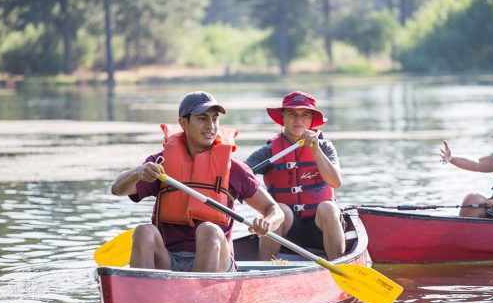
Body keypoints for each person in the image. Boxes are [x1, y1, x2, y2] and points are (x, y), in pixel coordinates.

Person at [111, 91, 284, 272]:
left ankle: (198, 294)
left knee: (208, 230)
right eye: (202, 118)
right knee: (143, 231)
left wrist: (268, 223)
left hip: (217, 262)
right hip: (170, 260)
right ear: (183, 123)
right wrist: (138, 173)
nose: (210, 126)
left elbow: (275, 211)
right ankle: (141, 291)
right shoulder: (160, 163)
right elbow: (117, 189)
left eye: (214, 119)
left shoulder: (233, 169)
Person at [244, 91, 345, 261]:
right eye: (292, 114)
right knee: (280, 210)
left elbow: (335, 182)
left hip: (321, 227)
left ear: (312, 119)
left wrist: (315, 150)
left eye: (305, 115)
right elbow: (240, 176)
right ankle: (265, 269)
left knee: (328, 207)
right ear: (283, 117)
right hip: (288, 232)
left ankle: (339, 265)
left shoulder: (325, 148)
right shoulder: (268, 152)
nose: (298, 120)